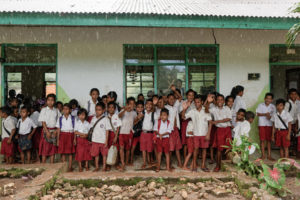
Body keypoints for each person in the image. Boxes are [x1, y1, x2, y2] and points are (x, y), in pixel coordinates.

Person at [182, 95, 212, 172]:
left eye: (198, 102)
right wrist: (184, 109)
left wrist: (208, 134)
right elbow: (183, 117)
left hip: (204, 134)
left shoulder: (206, 110)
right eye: (195, 102)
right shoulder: (192, 111)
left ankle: (203, 165)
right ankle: (194, 166)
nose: (197, 104)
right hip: (196, 134)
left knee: (204, 150)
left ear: (202, 102)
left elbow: (210, 122)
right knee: (196, 150)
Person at [209, 94, 232, 172]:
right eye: (218, 99)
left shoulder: (227, 108)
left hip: (227, 130)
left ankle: (227, 166)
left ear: (224, 101)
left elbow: (228, 118)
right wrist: (208, 102)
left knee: (228, 148)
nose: (220, 101)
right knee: (219, 149)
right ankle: (218, 165)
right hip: (220, 130)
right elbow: (205, 110)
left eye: (221, 99)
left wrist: (217, 121)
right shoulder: (213, 109)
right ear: (215, 101)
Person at [38, 94, 61, 164]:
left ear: (54, 101)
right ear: (46, 101)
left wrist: (56, 131)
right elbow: (43, 122)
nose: (50, 102)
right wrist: (47, 132)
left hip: (54, 131)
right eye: (49, 100)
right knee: (44, 149)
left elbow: (59, 121)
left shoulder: (56, 111)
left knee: (52, 150)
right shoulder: (44, 110)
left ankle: (52, 164)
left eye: (52, 100)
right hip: (46, 130)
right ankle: (44, 165)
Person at [118, 97, 137, 171]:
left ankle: (126, 162)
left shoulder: (134, 113)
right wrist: (125, 109)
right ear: (127, 104)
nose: (131, 106)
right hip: (122, 133)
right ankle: (123, 163)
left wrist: (138, 119)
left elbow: (134, 122)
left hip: (129, 133)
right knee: (121, 148)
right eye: (130, 104)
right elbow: (119, 116)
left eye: (133, 104)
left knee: (128, 149)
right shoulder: (123, 111)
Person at [90, 102, 110, 172]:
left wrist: (106, 140)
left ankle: (104, 167)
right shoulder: (93, 119)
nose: (98, 111)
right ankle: (97, 167)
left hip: (103, 140)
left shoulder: (106, 119)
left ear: (103, 110)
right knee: (96, 155)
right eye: (96, 109)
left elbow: (107, 131)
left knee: (104, 155)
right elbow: (91, 129)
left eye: (99, 110)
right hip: (95, 140)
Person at [56, 103, 76, 172]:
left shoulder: (73, 118)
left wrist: (74, 139)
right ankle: (64, 167)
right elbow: (58, 129)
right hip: (62, 135)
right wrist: (58, 140)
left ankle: (70, 167)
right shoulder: (60, 118)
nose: (65, 110)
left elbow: (75, 130)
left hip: (70, 135)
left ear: (70, 110)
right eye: (64, 109)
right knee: (63, 152)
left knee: (70, 153)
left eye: (67, 109)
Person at [256, 93, 276, 160]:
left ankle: (269, 155)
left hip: (269, 125)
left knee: (269, 141)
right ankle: (263, 155)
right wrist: (265, 114)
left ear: (272, 100)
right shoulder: (260, 105)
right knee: (262, 140)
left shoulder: (273, 107)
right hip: (262, 124)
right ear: (264, 98)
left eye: (270, 98)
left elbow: (274, 116)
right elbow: (257, 114)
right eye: (267, 98)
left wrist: (269, 116)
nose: (268, 100)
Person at [165, 93, 182, 168]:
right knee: (170, 148)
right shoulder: (165, 107)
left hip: (176, 130)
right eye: (170, 98)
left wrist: (174, 90)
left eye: (173, 99)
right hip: (169, 130)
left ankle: (179, 163)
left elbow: (180, 97)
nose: (172, 100)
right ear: (167, 99)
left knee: (177, 147)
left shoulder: (176, 107)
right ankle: (169, 163)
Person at [180, 89, 196, 160]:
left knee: (193, 140)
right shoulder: (183, 102)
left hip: (194, 123)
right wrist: (186, 108)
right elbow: (181, 114)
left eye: (192, 95)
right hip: (185, 122)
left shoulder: (196, 103)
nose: (191, 97)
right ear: (187, 96)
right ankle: (185, 158)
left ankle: (193, 158)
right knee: (185, 142)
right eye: (189, 95)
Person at [140, 99, 154, 169]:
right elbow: (136, 120)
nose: (149, 105)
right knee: (143, 149)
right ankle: (144, 162)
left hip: (150, 134)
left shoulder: (153, 114)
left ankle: (149, 161)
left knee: (149, 148)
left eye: (150, 104)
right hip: (143, 133)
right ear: (145, 105)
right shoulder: (143, 113)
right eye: (147, 104)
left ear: (152, 106)